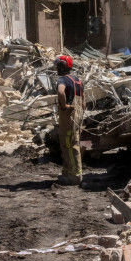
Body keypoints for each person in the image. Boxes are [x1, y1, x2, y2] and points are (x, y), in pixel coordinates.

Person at [55, 55, 84, 185]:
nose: (56, 68)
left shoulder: (62, 80)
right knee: (70, 142)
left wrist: (64, 105)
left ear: (62, 66)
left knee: (69, 145)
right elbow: (84, 101)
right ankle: (66, 171)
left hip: (68, 116)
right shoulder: (78, 80)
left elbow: (61, 92)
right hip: (77, 115)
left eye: (58, 66)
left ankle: (75, 175)